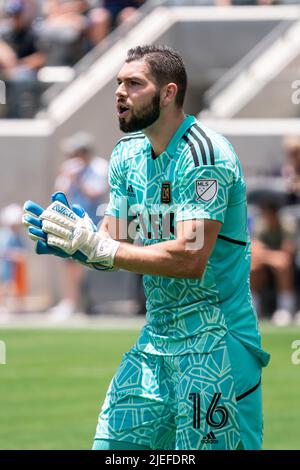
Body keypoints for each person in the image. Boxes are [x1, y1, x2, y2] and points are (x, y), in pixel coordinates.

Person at [23, 45, 270, 450]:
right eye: (118, 83)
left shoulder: (204, 155)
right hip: (155, 340)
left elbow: (190, 258)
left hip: (215, 344)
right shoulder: (126, 155)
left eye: (134, 83)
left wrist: (100, 248)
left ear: (168, 93)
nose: (120, 92)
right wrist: (76, 244)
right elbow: (114, 244)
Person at [48, 131, 109, 319]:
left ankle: (83, 303)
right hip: (72, 223)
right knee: (70, 263)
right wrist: (67, 177)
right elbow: (60, 194)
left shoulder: (99, 167)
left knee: (87, 264)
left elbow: (95, 192)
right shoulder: (70, 167)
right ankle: (72, 302)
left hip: (93, 223)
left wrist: (78, 179)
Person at [250, 200, 297, 325]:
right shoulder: (260, 225)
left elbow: (287, 252)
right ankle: (253, 307)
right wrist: (271, 258)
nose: (267, 217)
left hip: (286, 265)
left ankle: (285, 309)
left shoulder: (287, 225)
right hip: (266, 263)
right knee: (253, 267)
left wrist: (269, 256)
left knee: (283, 266)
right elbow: (255, 249)